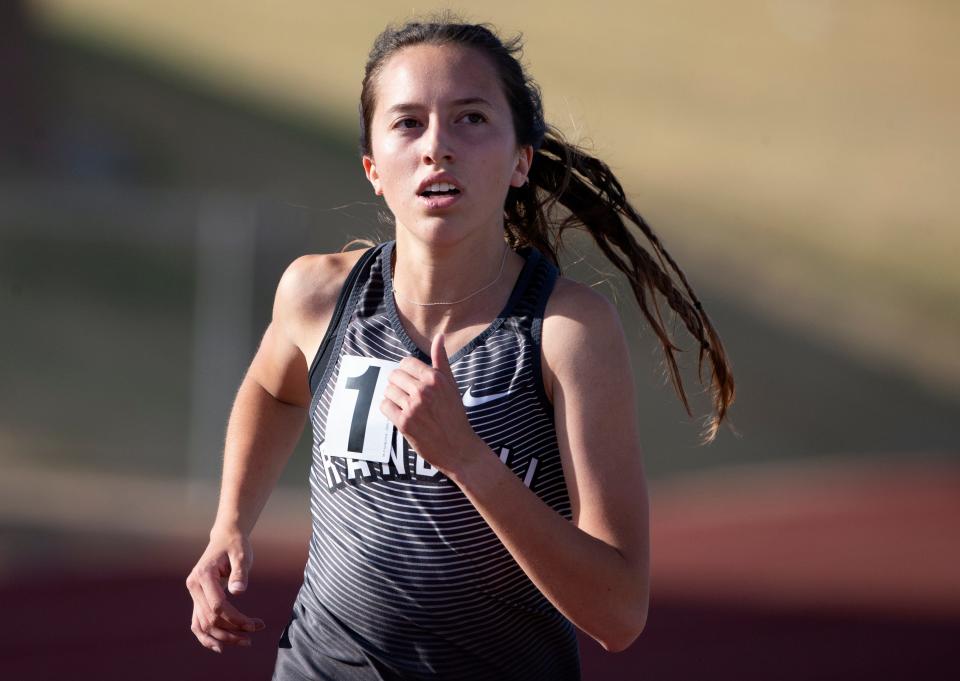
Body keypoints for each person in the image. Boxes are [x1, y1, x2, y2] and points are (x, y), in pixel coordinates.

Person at [185, 11, 735, 681]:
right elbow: (273, 390)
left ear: (519, 161)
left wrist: (468, 458)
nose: (437, 146)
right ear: (373, 169)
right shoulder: (319, 297)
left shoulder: (566, 333)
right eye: (407, 122)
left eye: (471, 118)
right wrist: (229, 523)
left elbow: (619, 612)